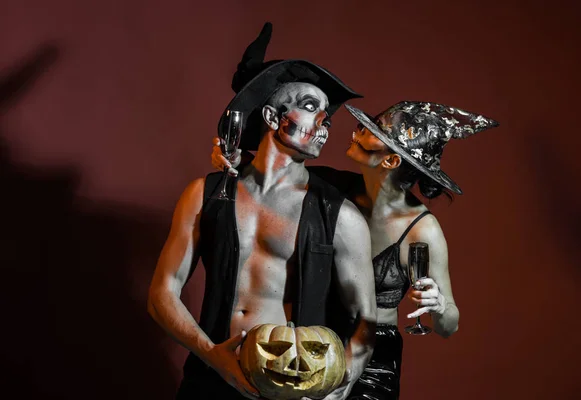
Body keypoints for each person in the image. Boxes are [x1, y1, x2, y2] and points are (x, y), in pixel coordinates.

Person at [147, 22, 377, 400]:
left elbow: (366, 321)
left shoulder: (340, 216)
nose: (323, 125)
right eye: (309, 107)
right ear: (272, 118)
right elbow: (162, 293)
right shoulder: (205, 194)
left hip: (294, 386)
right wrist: (213, 358)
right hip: (211, 377)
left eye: (327, 118)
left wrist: (339, 383)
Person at [213, 100, 499, 399]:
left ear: (390, 161)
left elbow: (448, 326)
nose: (357, 131)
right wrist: (230, 156)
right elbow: (264, 173)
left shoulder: (421, 229)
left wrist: (439, 305)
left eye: (373, 131)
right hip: (315, 343)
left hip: (374, 358)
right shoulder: (332, 187)